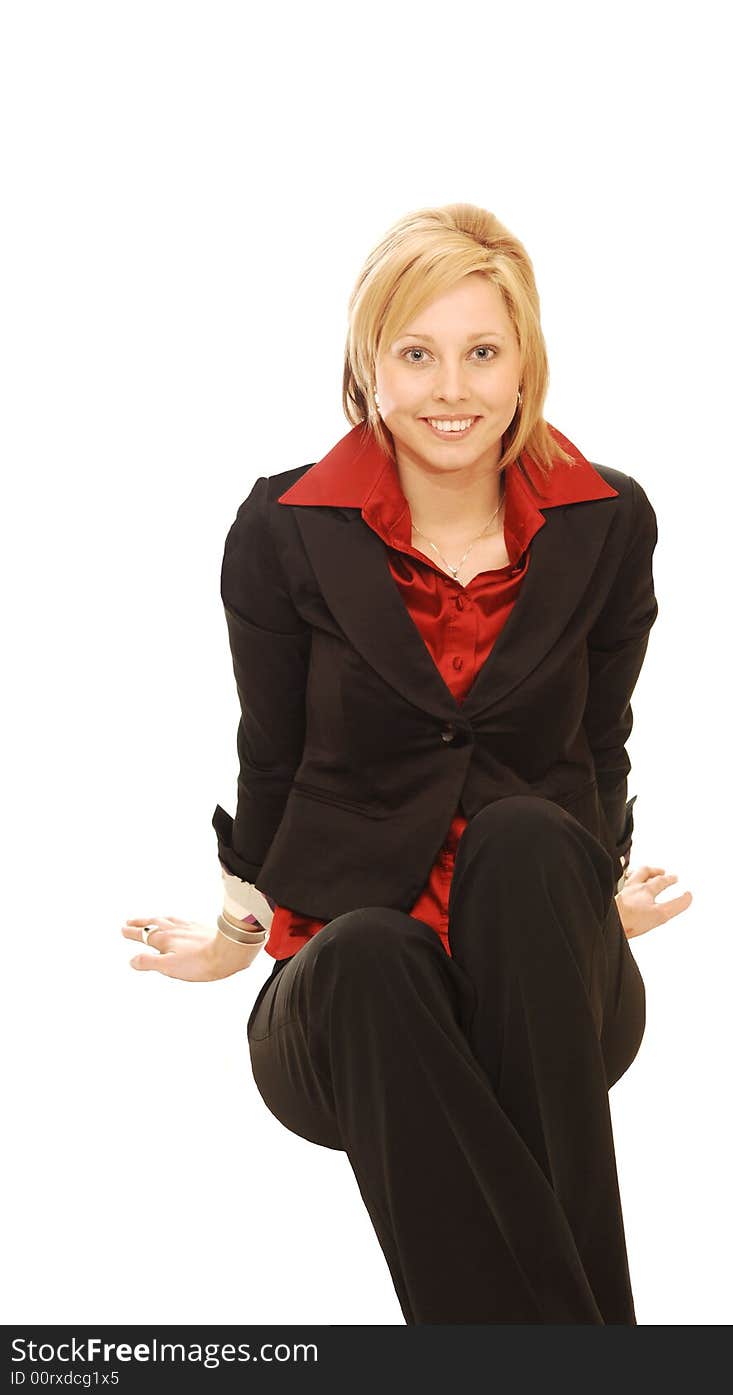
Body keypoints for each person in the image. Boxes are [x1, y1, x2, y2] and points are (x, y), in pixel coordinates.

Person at [121, 202, 693, 1325]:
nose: (450, 389)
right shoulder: (283, 528)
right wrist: (239, 938)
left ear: (525, 362)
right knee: (372, 952)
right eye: (417, 353)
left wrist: (590, 893)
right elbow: (270, 762)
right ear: (366, 364)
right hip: (353, 1006)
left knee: (530, 837)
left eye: (482, 352)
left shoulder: (608, 521)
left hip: (546, 982)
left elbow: (600, 740)